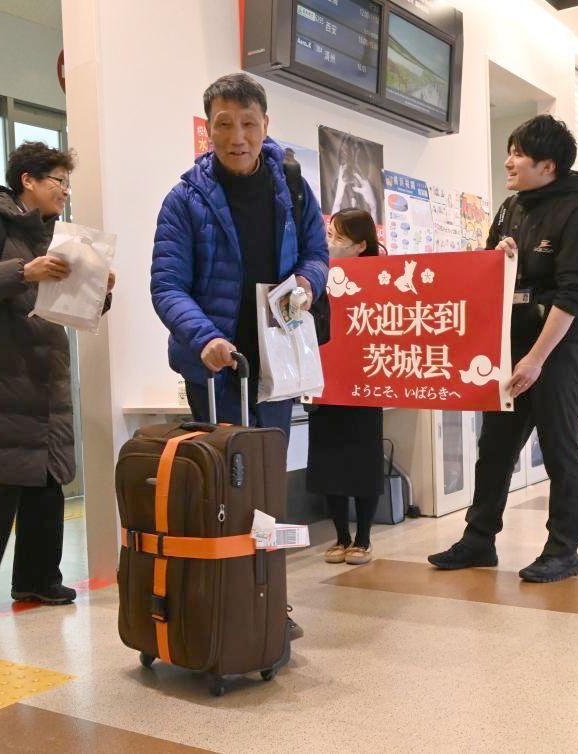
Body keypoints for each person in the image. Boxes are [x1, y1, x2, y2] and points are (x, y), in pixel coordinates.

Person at [151, 73, 328, 638]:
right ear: (209, 129)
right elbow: (167, 285)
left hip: (275, 366)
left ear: (265, 126)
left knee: (265, 491)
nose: (237, 136)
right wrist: (204, 338)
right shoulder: (184, 199)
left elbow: (318, 255)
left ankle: (270, 597)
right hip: (215, 371)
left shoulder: (292, 187)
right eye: (224, 124)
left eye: (249, 124)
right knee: (218, 486)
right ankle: (216, 598)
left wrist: (307, 281)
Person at [0, 142, 114, 614]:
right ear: (28, 181)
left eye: (67, 182)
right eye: (58, 181)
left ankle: (37, 579)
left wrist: (99, 289)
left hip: (46, 374)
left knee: (47, 482)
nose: (65, 190)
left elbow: (69, 305)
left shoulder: (60, 234)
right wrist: (24, 269)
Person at [428, 114, 578, 583]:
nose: (508, 160)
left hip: (558, 350)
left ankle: (563, 550)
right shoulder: (511, 209)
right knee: (495, 448)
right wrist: (500, 256)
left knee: (560, 448)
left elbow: (571, 298)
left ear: (548, 165)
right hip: (511, 346)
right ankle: (478, 539)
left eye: (518, 153)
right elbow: (490, 273)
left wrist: (536, 360)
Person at [308, 210, 385, 565]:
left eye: (338, 238)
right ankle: (340, 536)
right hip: (327, 383)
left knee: (363, 461)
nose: (329, 244)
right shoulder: (319, 278)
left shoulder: (383, 278)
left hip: (366, 383)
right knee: (329, 460)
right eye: (328, 235)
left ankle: (364, 539)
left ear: (360, 246)